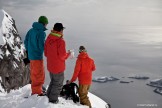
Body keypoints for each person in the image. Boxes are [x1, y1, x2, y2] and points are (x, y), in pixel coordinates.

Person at [44, 23, 70, 103]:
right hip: (58, 68)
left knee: (53, 82)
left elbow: (46, 53)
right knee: (58, 84)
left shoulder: (48, 38)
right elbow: (62, 56)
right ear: (61, 30)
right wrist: (68, 54)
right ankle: (53, 100)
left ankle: (48, 97)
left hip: (50, 66)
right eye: (62, 30)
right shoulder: (61, 41)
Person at [24, 16, 48, 96]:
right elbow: (41, 46)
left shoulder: (31, 30)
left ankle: (36, 90)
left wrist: (29, 51)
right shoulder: (41, 33)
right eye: (46, 24)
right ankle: (37, 92)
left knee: (34, 74)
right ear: (44, 24)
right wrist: (48, 51)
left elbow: (26, 42)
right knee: (39, 75)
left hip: (31, 56)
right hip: (37, 57)